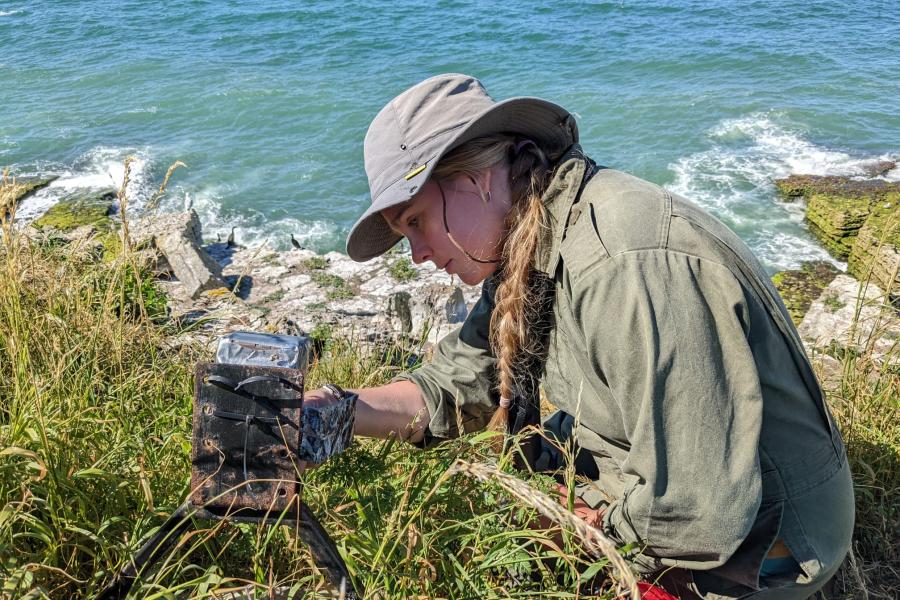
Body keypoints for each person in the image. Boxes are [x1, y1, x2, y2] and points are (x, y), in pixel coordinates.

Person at [309, 73, 854, 599]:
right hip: (661, 480)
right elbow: (464, 380)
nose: (419, 255)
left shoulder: (626, 265)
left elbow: (698, 511)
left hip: (771, 538)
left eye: (416, 223)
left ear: (474, 180)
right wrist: (328, 411)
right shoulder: (529, 239)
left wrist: (580, 533)